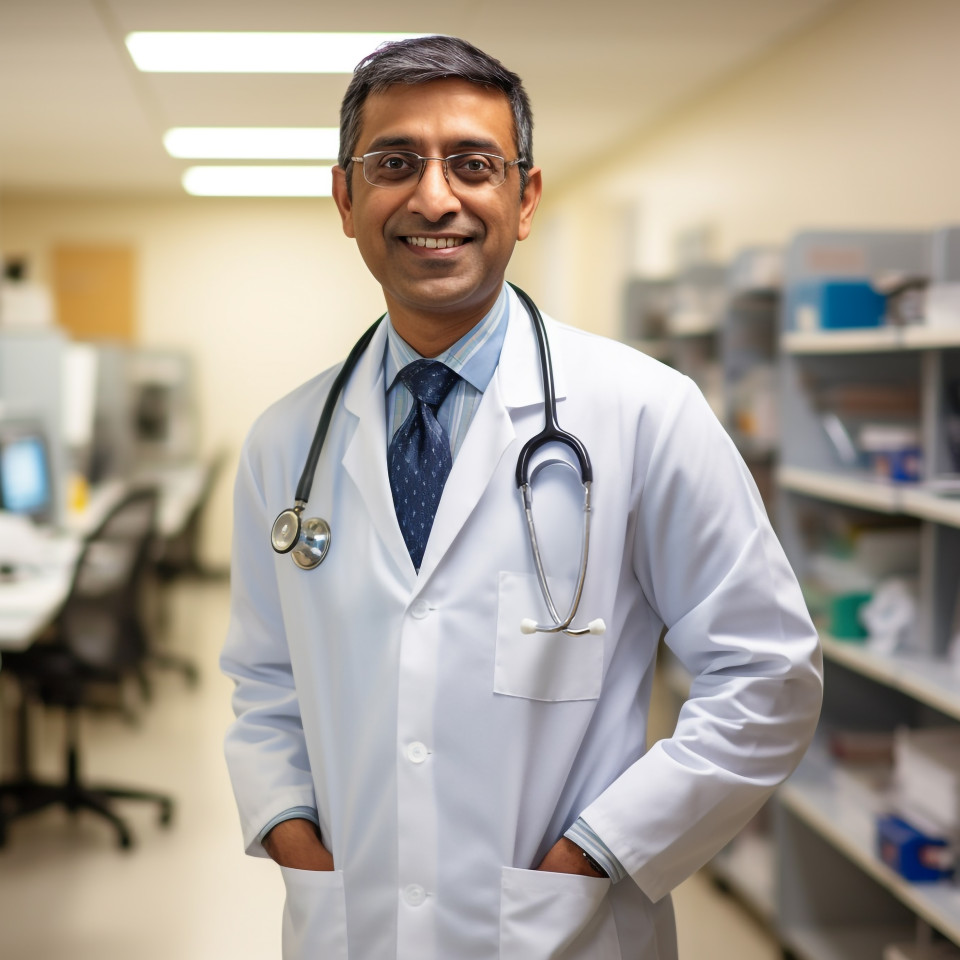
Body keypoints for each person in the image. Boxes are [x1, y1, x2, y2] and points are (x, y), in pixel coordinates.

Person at [221, 35, 822, 960]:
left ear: (524, 197)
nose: (433, 197)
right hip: (354, 927)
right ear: (345, 198)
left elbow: (767, 672)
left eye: (472, 164)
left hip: (564, 930)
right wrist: (295, 836)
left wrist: (597, 854)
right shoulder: (283, 441)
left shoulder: (645, 411)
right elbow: (265, 683)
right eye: (393, 163)